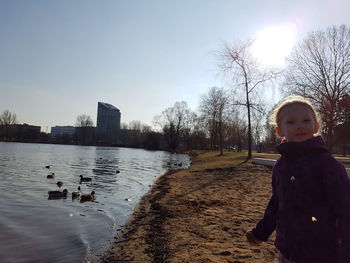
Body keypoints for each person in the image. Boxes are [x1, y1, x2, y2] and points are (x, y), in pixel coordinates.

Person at [246, 95, 350, 263]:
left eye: (306, 120)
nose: (300, 126)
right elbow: (277, 203)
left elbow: (346, 211)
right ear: (279, 131)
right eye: (291, 122)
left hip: (322, 252)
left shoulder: (326, 164)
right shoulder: (281, 166)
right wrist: (260, 233)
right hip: (287, 251)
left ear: (316, 126)